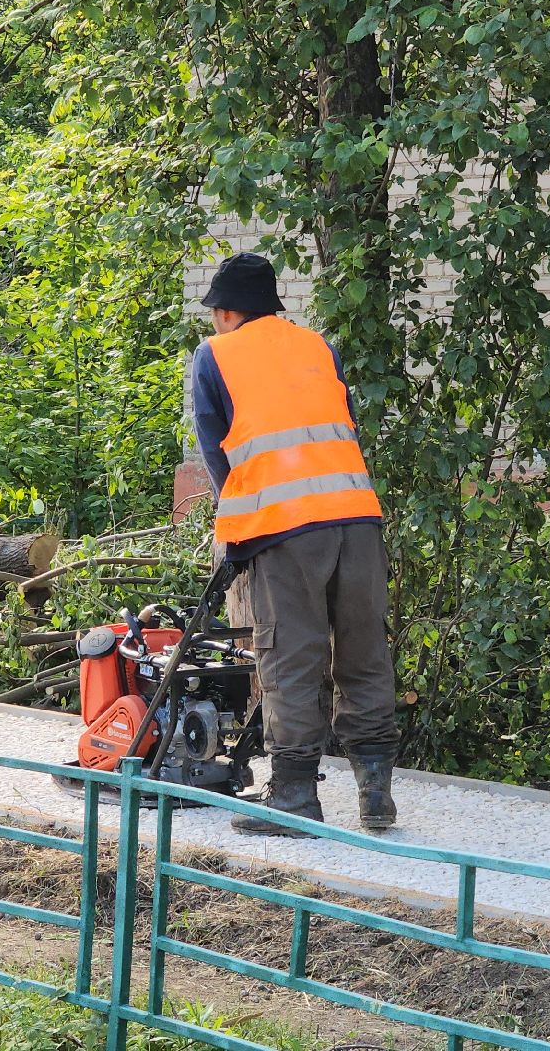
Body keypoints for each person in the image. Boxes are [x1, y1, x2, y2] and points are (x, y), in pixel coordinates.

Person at [189, 251, 400, 835]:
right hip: (358, 519)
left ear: (227, 313)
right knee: (364, 651)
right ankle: (375, 793)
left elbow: (217, 453)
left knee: (290, 655)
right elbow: (342, 426)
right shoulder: (318, 347)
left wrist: (236, 533)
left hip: (284, 529)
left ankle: (294, 797)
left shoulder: (216, 357)